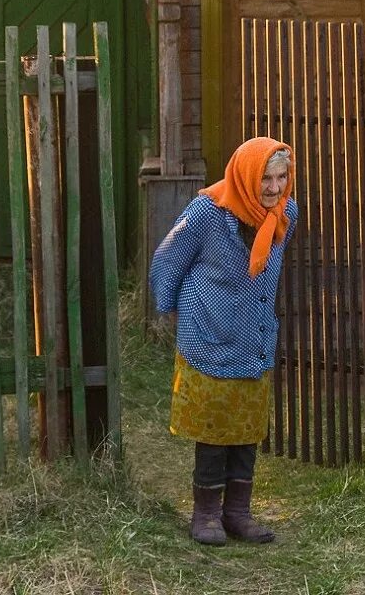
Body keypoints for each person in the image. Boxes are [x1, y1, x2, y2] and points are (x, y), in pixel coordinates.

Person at [149, 137, 298, 546]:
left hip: (253, 337)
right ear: (247, 176)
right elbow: (167, 258)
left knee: (247, 430)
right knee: (213, 432)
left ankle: (237, 513)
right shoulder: (208, 213)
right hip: (209, 335)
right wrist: (175, 312)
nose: (273, 187)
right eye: (265, 178)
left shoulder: (286, 213)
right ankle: (206, 515)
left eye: (281, 177)